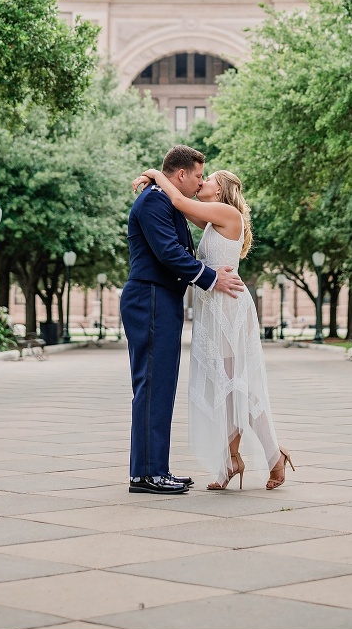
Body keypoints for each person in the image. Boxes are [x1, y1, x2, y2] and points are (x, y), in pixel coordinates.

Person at [133, 164, 294, 491]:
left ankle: (273, 454)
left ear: (219, 191)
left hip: (228, 309)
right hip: (213, 307)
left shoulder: (224, 212)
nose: (201, 182)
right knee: (226, 385)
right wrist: (160, 182)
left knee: (238, 385)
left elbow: (177, 201)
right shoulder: (212, 217)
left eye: (207, 180)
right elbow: (178, 207)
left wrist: (154, 173)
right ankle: (231, 459)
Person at [121, 145, 244, 495]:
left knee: (159, 386)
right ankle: (146, 475)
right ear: (181, 174)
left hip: (160, 299)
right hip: (150, 299)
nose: (201, 181)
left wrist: (154, 174)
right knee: (152, 386)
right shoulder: (154, 202)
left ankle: (155, 469)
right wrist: (211, 277)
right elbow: (169, 252)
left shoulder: (165, 199)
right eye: (198, 175)